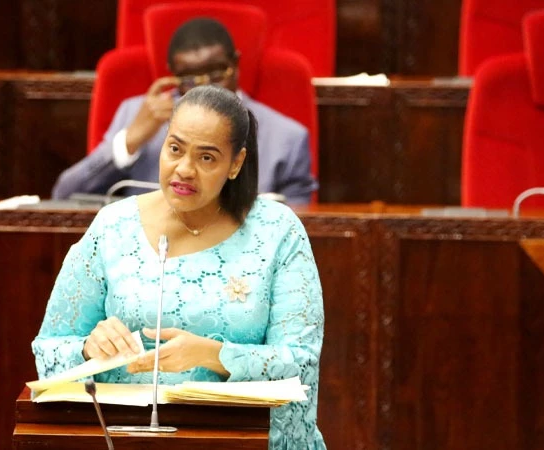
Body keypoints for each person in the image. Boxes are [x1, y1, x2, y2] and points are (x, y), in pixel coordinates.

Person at [33, 85, 326, 449]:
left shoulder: (278, 232)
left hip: (238, 440)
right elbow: (50, 349)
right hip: (128, 437)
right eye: (175, 149)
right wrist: (90, 349)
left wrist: (212, 355)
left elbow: (300, 362)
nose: (184, 169)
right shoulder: (113, 226)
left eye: (206, 158)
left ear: (236, 163)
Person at [51, 18, 317, 205]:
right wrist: (130, 140)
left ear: (235, 64)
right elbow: (65, 194)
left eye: (216, 73)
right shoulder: (137, 114)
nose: (205, 87)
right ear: (172, 74)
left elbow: (297, 234)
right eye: (189, 78)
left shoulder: (286, 138)